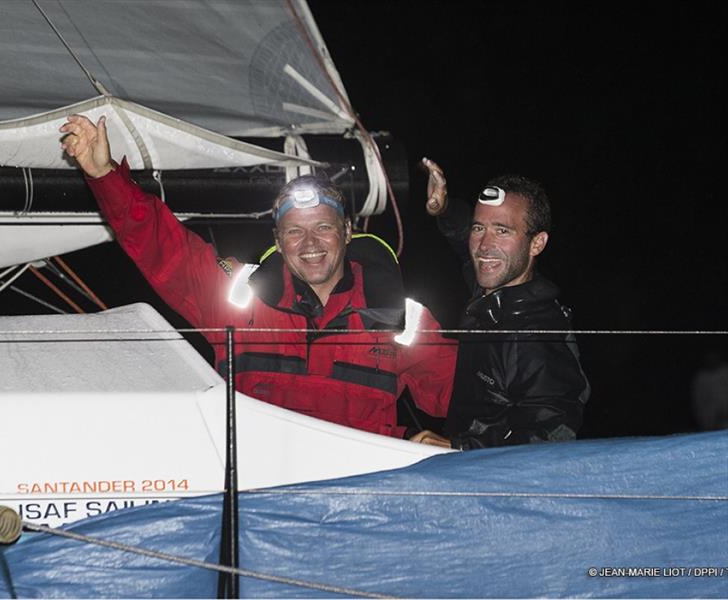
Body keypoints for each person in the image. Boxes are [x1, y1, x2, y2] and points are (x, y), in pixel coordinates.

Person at [59, 115, 457, 438]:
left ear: (348, 232)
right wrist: (103, 174)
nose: (309, 243)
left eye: (323, 227)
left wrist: (447, 443)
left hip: (359, 506)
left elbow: (473, 396)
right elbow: (162, 245)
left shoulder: (402, 320)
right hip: (255, 502)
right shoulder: (236, 298)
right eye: (294, 231)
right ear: (278, 241)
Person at [412, 158, 590, 450]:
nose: (483, 246)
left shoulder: (538, 335)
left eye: (502, 231)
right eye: (479, 228)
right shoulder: (490, 290)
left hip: (489, 484)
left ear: (537, 243)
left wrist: (458, 449)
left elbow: (549, 439)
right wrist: (444, 209)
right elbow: (461, 240)